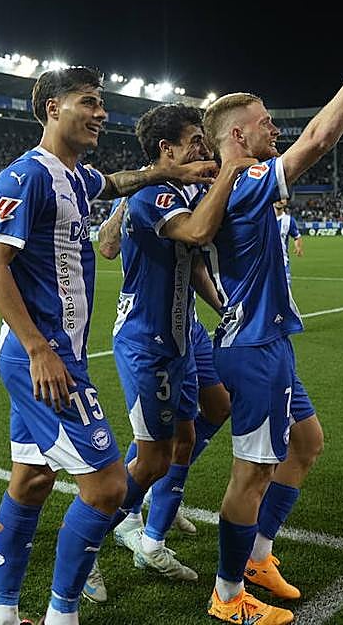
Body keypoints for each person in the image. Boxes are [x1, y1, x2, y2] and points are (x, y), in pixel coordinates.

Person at [0, 67, 215, 625]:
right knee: (109, 486)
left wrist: (163, 170)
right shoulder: (25, 177)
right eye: (89, 102)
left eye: (102, 103)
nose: (102, 113)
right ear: (51, 108)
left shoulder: (76, 177)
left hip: (58, 352)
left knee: (33, 480)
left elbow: (111, 185)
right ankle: (63, 615)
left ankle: (2, 614)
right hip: (44, 356)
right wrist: (38, 348)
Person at [198, 24, 343, 624]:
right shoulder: (240, 181)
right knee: (253, 471)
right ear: (238, 135)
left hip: (272, 341)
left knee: (306, 444)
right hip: (252, 346)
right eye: (264, 123)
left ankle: (258, 554)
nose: (274, 129)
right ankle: (227, 593)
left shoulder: (244, 183)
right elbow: (317, 139)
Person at [92, 104, 253, 587]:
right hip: (149, 339)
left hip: (185, 331)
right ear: (168, 150)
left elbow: (197, 260)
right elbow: (195, 232)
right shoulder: (154, 193)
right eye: (195, 142)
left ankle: (158, 521)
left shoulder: (182, 189)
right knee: (157, 454)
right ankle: (95, 539)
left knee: (212, 410)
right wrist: (229, 171)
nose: (203, 149)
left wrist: (225, 308)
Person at [273, 199, 303, 284]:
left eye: (282, 198)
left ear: (286, 201)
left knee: (286, 291)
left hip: (283, 261)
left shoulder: (289, 220)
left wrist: (298, 247)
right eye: (277, 197)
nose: (279, 200)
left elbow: (297, 236)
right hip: (265, 262)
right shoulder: (264, 219)